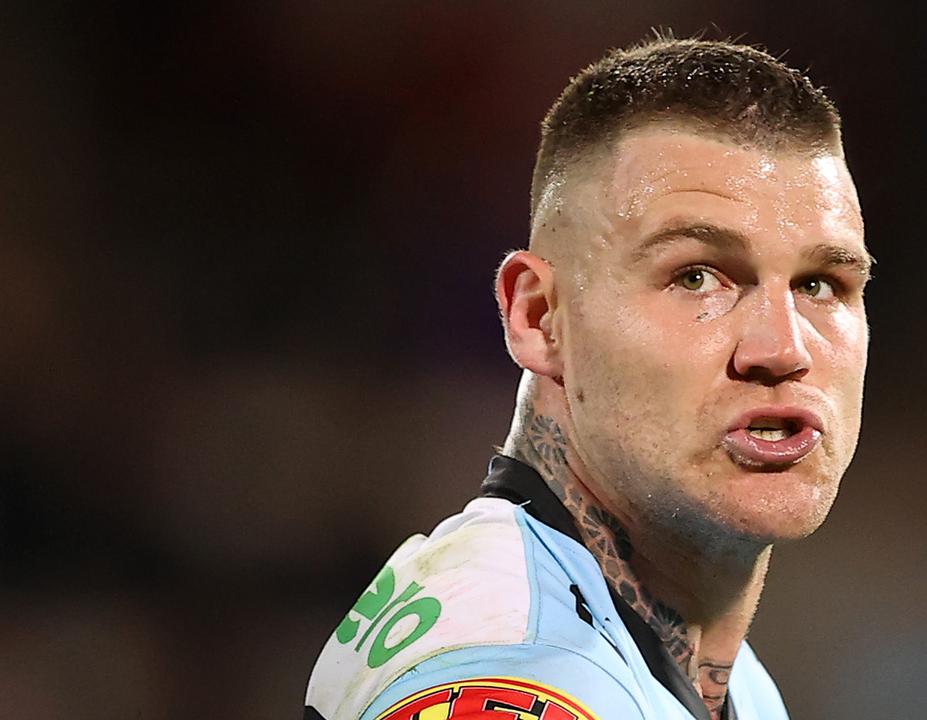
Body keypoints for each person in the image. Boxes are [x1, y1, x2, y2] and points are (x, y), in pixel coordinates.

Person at [305, 35, 872, 720]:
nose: (782, 349)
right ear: (540, 317)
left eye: (820, 282)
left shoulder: (696, 670)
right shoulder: (510, 680)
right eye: (696, 277)